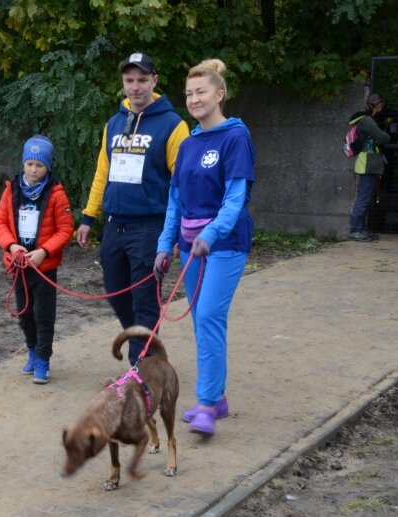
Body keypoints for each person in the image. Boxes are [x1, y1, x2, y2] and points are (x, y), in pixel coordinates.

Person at [153, 58, 256, 437]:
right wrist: (166, 245)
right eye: (189, 93)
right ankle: (219, 398)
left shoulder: (235, 138)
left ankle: (207, 404)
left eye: (201, 92)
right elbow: (174, 201)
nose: (193, 99)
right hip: (189, 247)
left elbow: (235, 198)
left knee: (210, 316)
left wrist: (210, 236)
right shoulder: (189, 143)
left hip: (225, 244)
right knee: (202, 324)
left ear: (219, 94)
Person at [75, 52, 189, 366]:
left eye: (142, 80)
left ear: (154, 81)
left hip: (151, 226)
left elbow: (183, 183)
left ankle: (141, 365)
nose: (135, 87)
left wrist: (178, 231)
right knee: (115, 292)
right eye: (129, 80)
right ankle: (144, 347)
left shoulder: (173, 125)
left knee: (145, 299)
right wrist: (89, 216)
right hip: (115, 224)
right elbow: (103, 172)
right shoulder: (114, 124)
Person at [0, 135, 73, 384]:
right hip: (19, 265)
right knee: (24, 313)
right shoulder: (11, 190)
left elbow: (65, 229)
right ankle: (31, 350)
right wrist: (12, 245)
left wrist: (44, 252)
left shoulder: (57, 194)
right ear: (23, 164)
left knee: (43, 314)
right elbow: (0, 222)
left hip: (43, 267)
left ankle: (43, 359)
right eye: (29, 164)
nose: (34, 169)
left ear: (47, 167)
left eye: (39, 165)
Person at [347, 93, 390, 242]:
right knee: (363, 199)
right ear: (377, 106)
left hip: (368, 164)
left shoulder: (365, 120)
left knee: (365, 198)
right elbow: (382, 137)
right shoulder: (367, 121)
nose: (381, 109)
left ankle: (361, 230)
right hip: (367, 164)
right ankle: (355, 230)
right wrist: (387, 136)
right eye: (381, 106)